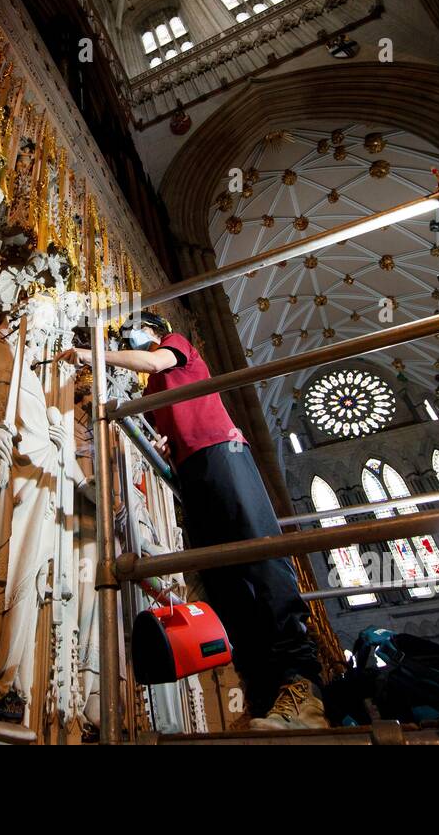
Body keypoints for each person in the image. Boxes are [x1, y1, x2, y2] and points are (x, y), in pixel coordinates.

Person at [56, 312, 327, 731]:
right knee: (223, 581)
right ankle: (264, 694)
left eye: (135, 327)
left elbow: (152, 363)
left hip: (221, 453)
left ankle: (302, 688)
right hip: (192, 471)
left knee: (259, 557)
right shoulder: (155, 392)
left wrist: (91, 353)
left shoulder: (177, 346)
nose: (129, 334)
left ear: (155, 332)